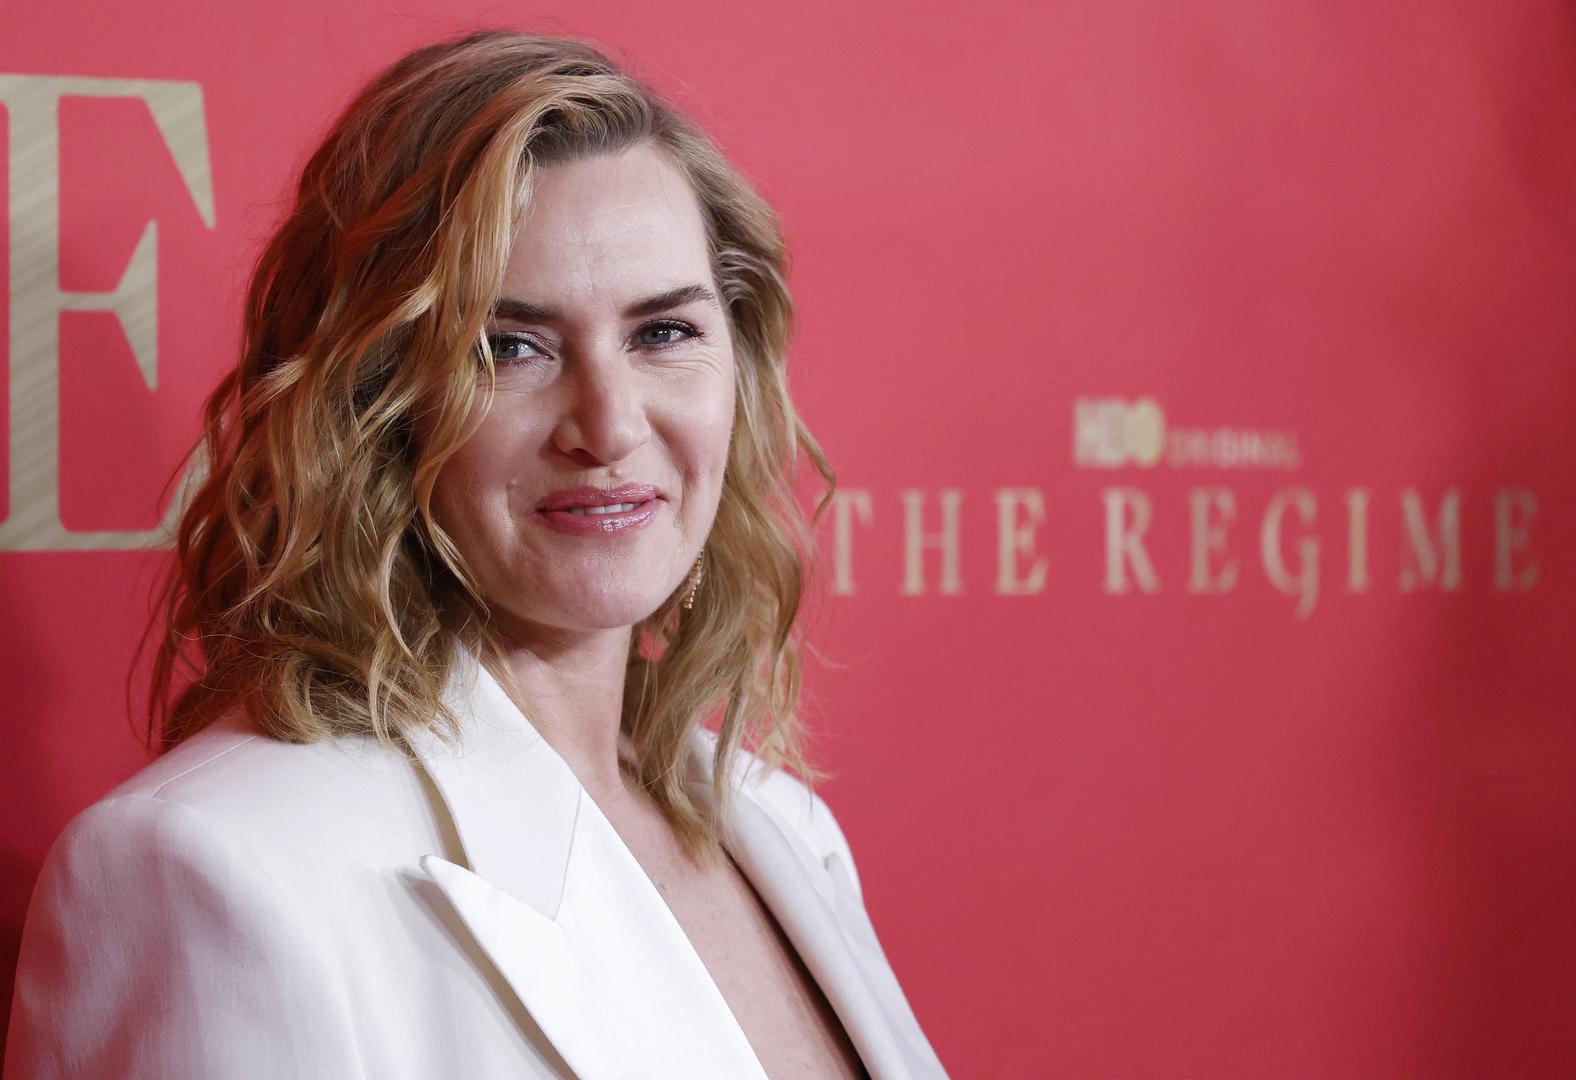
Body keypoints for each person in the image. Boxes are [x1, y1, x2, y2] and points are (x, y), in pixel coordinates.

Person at [3, 27, 948, 1080]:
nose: (610, 425)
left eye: (662, 333)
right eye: (510, 348)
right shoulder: (213, 870)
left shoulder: (780, 828)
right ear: (372, 404)